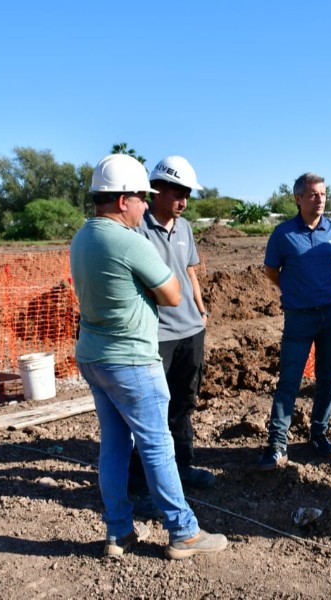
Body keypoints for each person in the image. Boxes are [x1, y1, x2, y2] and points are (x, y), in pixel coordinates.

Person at [70, 154, 227, 559]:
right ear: (123, 200)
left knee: (114, 447)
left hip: (94, 355)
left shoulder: (83, 236)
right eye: (141, 197)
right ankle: (183, 532)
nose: (145, 203)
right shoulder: (127, 240)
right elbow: (173, 294)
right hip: (132, 359)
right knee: (157, 446)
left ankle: (119, 532)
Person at [127, 156, 215, 517]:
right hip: (157, 335)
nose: (183, 200)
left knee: (183, 403)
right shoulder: (137, 228)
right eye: (177, 192)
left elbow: (190, 272)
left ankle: (182, 468)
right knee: (149, 412)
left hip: (190, 330)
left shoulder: (186, 228)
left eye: (188, 194)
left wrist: (201, 309)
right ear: (157, 190)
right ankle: (137, 485)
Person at [257, 172, 331, 471]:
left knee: (327, 378)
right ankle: (277, 444)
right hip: (299, 318)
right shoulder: (283, 234)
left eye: (323, 194)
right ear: (298, 198)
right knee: (289, 380)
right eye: (313, 194)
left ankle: (319, 433)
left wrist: (325, 292)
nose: (320, 199)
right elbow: (272, 271)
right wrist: (296, 290)